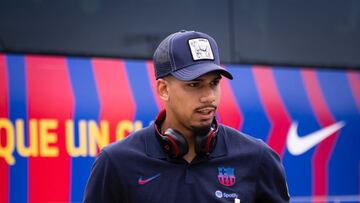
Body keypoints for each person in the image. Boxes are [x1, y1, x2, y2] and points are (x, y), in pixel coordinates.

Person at [83, 30, 290, 203]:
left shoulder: (258, 158)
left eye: (214, 83)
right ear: (163, 89)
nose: (209, 97)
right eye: (194, 85)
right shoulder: (116, 162)